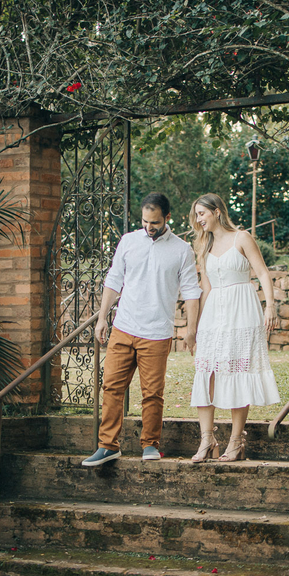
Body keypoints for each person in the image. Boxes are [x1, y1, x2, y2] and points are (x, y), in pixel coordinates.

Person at [81, 193, 201, 466]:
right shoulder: (128, 241)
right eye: (145, 221)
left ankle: (150, 444)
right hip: (124, 327)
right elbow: (114, 280)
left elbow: (191, 292)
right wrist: (102, 318)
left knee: (152, 393)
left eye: (155, 222)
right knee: (111, 387)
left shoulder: (181, 250)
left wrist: (191, 329)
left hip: (157, 332)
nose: (149, 227)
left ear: (167, 218)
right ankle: (108, 446)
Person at [188, 193, 280, 462]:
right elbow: (205, 288)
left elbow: (262, 273)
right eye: (196, 215)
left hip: (242, 310)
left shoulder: (242, 238)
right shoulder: (203, 245)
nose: (198, 219)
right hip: (213, 313)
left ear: (217, 211)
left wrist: (270, 306)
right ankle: (207, 439)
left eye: (202, 213)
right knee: (206, 371)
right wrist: (195, 327)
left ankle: (236, 441)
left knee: (238, 371)